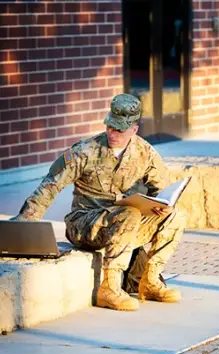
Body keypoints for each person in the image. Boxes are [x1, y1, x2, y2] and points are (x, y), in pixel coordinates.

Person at [11, 93, 186, 311]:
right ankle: (109, 288)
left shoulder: (145, 153)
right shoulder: (85, 151)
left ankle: (149, 281)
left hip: (122, 225)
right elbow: (50, 186)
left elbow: (163, 189)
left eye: (119, 129)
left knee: (176, 216)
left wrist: (161, 205)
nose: (112, 133)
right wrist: (21, 225)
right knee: (129, 214)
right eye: (110, 126)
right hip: (84, 224)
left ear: (134, 129)